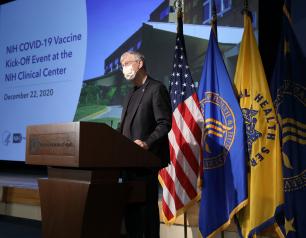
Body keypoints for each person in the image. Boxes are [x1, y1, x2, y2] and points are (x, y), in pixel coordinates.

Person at [119, 51, 172, 238]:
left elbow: (164, 123)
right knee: (131, 216)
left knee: (145, 214)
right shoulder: (129, 95)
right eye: (121, 64)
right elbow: (122, 128)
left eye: (126, 62)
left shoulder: (156, 89)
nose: (123, 67)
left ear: (140, 63)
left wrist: (147, 144)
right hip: (127, 164)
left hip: (145, 163)